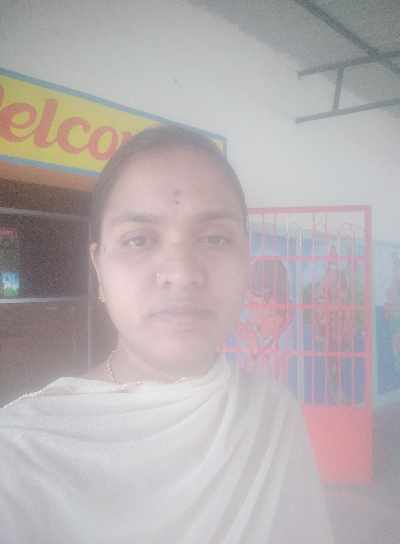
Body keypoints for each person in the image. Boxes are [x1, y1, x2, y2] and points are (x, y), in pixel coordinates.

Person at [0, 125, 333, 543]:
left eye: (215, 238)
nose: (182, 273)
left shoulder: (272, 414)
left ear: (246, 260)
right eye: (138, 240)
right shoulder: (20, 453)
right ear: (99, 268)